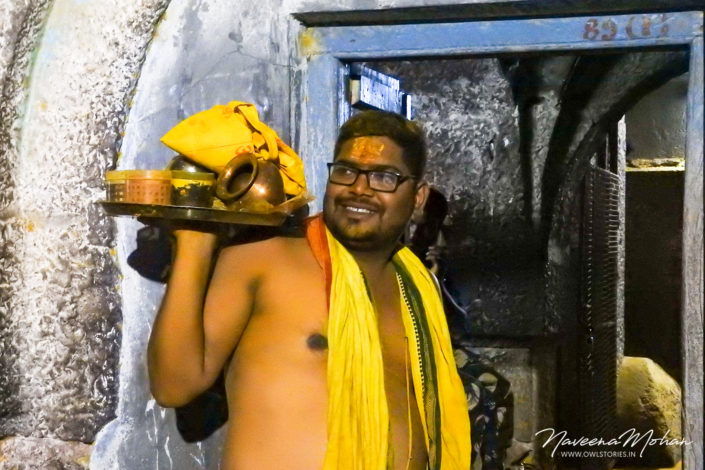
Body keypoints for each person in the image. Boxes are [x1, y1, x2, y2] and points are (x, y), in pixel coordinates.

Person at [147, 110, 471, 470]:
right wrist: (195, 239)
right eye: (347, 171)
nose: (359, 188)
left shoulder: (418, 289)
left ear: (418, 197)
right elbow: (174, 385)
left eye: (384, 177)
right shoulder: (264, 259)